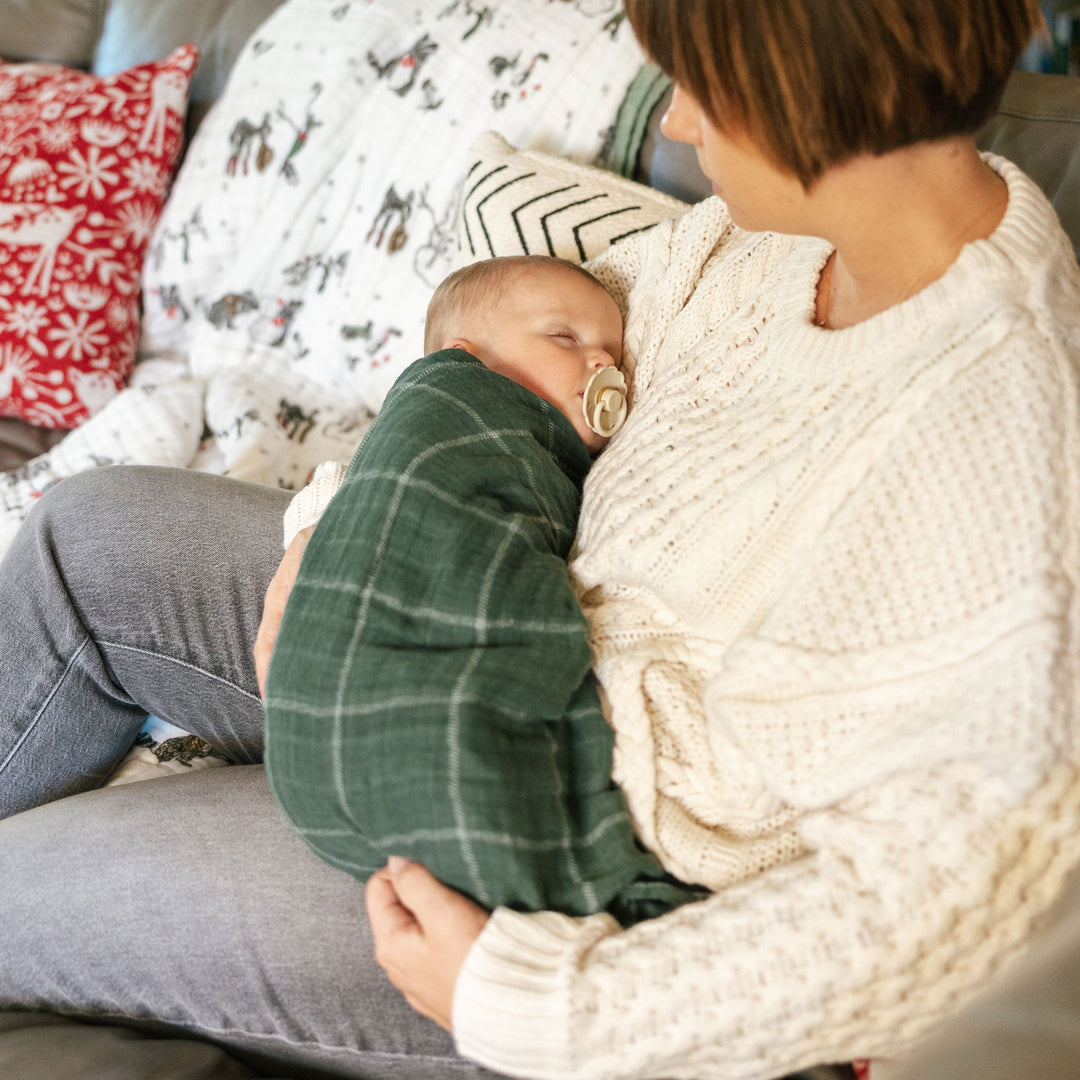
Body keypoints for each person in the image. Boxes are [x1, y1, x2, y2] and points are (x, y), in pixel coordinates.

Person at [0, 1, 1077, 1079]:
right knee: (89, 532)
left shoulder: (1010, 441)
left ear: (800, 92)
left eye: (700, 89)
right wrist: (335, 538)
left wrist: (545, 1001)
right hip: (505, 633)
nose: (684, 128)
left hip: (588, 869)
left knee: (16, 893)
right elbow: (515, 363)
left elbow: (959, 894)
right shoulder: (757, 248)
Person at [265, 254, 694, 922]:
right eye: (564, 339)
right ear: (464, 358)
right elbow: (393, 474)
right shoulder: (459, 408)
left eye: (612, 356)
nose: (600, 369)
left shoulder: (559, 461)